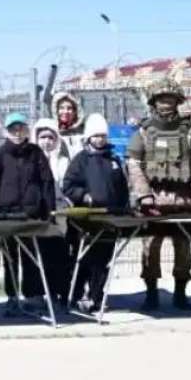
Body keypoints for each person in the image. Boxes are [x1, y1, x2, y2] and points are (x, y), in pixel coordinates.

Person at [127, 78, 191, 311]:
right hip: (153, 200)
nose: (166, 103)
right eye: (161, 99)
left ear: (177, 101)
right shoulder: (143, 133)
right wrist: (144, 196)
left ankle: (181, 294)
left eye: (170, 98)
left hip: (184, 199)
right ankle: (151, 293)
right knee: (149, 247)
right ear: (154, 102)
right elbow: (134, 164)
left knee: (183, 247)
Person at [0, 113, 58, 316]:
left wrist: (49, 210)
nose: (17, 133)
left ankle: (33, 295)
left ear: (27, 130)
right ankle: (12, 297)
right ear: (5, 132)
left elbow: (47, 182)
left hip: (30, 215)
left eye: (20, 129)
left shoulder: (36, 154)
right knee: (10, 259)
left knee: (31, 257)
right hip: (6, 215)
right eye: (12, 129)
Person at [61, 113, 129, 312]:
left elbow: (122, 187)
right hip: (87, 220)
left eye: (103, 135)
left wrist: (122, 207)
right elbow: (68, 185)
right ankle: (76, 294)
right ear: (88, 137)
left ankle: (97, 296)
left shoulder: (113, 159)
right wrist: (84, 196)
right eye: (96, 135)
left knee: (102, 261)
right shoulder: (80, 160)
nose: (100, 139)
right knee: (83, 259)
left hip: (109, 219)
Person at [33, 117, 73, 306]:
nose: (46, 141)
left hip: (60, 211)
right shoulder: (31, 159)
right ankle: (41, 293)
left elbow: (68, 185)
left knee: (60, 253)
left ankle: (61, 293)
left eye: (50, 137)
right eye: (42, 137)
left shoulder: (64, 160)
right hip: (39, 211)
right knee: (40, 254)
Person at [51, 91, 86, 159]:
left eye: (69, 108)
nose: (65, 111)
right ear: (56, 111)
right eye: (61, 108)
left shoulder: (84, 132)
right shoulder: (52, 132)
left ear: (75, 111)